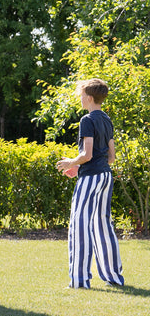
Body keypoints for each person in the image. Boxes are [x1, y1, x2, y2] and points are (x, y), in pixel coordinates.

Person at [55, 78, 124, 289]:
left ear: (90, 97)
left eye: (82, 94)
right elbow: (110, 157)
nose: (80, 98)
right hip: (105, 176)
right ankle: (114, 277)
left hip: (91, 178)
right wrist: (80, 167)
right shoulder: (107, 120)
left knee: (79, 226)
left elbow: (87, 153)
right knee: (103, 226)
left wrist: (71, 162)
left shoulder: (87, 119)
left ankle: (79, 281)